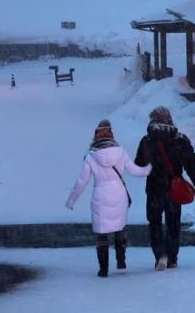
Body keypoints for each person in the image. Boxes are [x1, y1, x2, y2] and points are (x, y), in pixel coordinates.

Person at [66, 119, 151, 278]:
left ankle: (103, 269)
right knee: (120, 227)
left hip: (100, 195)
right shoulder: (120, 151)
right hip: (119, 194)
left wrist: (71, 201)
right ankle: (121, 260)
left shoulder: (91, 156)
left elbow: (81, 181)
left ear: (96, 135)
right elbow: (135, 171)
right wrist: (149, 169)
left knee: (102, 233)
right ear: (111, 134)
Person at [135, 106, 195, 271]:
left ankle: (160, 255)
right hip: (174, 189)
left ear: (153, 120)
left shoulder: (148, 140)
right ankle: (172, 257)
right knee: (173, 223)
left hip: (154, 188)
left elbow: (139, 163)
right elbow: (191, 163)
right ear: (170, 120)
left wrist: (151, 160)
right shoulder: (180, 139)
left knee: (155, 223)